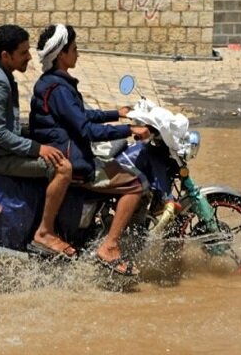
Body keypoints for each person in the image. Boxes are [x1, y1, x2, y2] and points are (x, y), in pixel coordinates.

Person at [29, 24, 151, 276]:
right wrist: (129, 130)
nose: (78, 54)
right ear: (61, 54)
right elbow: (86, 130)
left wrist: (116, 113)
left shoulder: (52, 84)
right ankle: (110, 246)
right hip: (73, 157)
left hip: (68, 150)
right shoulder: (60, 89)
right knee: (135, 184)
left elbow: (80, 115)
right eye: (74, 49)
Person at [0, 24, 75, 257]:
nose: (29, 57)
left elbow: (5, 128)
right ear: (6, 55)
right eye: (23, 53)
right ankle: (45, 232)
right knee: (63, 168)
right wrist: (37, 148)